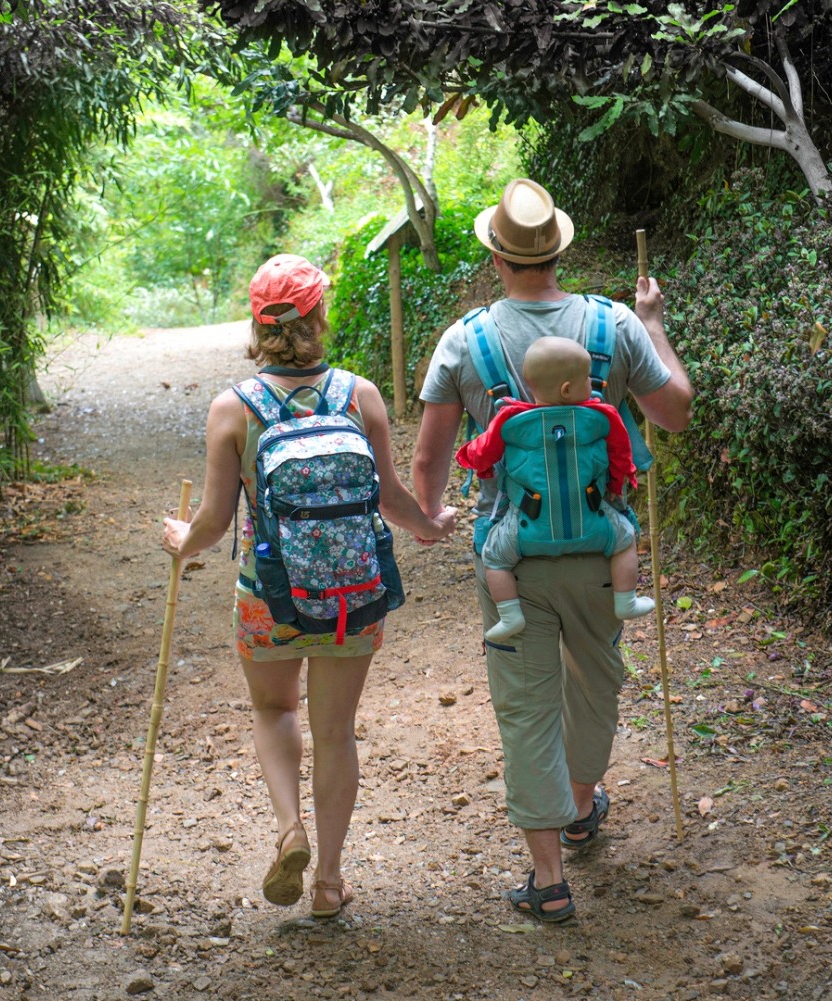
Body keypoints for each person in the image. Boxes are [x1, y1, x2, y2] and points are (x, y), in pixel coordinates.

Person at [412, 179, 693, 922]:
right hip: (605, 549)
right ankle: (579, 802)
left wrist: (428, 516)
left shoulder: (464, 339)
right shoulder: (613, 325)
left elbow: (430, 457)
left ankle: (549, 877)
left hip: (512, 553)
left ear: (496, 257)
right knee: (596, 681)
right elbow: (675, 412)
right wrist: (653, 323)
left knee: (528, 704)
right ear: (559, 251)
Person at [163, 253, 456, 919]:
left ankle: (289, 828)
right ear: (319, 316)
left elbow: (213, 522)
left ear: (257, 324)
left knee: (274, 710)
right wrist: (428, 525)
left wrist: (182, 542)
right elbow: (390, 498)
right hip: (354, 595)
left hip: (270, 596)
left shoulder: (232, 409)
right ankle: (328, 880)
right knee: (336, 731)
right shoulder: (360, 395)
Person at [455, 335, 656, 643]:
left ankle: (510, 616)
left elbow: (481, 453)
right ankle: (626, 600)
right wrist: (616, 487)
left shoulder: (510, 420)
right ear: (567, 388)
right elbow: (621, 456)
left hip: (525, 532)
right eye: (587, 377)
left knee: (494, 557)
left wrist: (473, 462)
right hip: (594, 525)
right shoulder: (602, 418)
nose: (592, 382)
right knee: (626, 540)